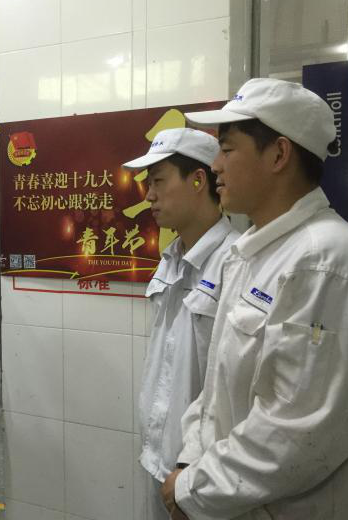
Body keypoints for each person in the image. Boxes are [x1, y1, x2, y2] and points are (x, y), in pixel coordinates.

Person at [161, 78, 348, 519]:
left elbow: (300, 431)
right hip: (224, 498)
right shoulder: (247, 253)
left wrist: (194, 488)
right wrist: (189, 461)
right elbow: (215, 390)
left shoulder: (325, 260)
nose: (215, 166)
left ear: (278, 155)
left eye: (227, 149)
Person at [122, 128, 239, 519]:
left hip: (204, 471)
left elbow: (231, 387)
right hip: (159, 457)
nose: (149, 196)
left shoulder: (235, 262)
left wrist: (195, 468)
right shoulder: (170, 259)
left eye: (158, 181)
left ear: (198, 180)